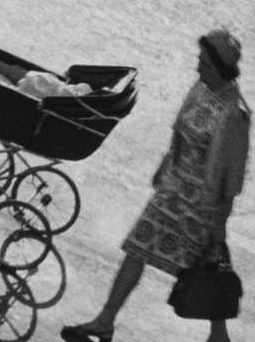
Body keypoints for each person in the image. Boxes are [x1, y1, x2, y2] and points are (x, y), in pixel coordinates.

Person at [61, 30, 250, 342]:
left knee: (208, 269)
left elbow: (231, 178)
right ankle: (105, 320)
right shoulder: (202, 89)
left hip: (202, 207)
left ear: (218, 66)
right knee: (137, 249)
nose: (197, 67)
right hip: (172, 192)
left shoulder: (235, 115)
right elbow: (180, 131)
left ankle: (219, 335)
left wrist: (219, 227)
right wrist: (165, 167)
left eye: (203, 62)